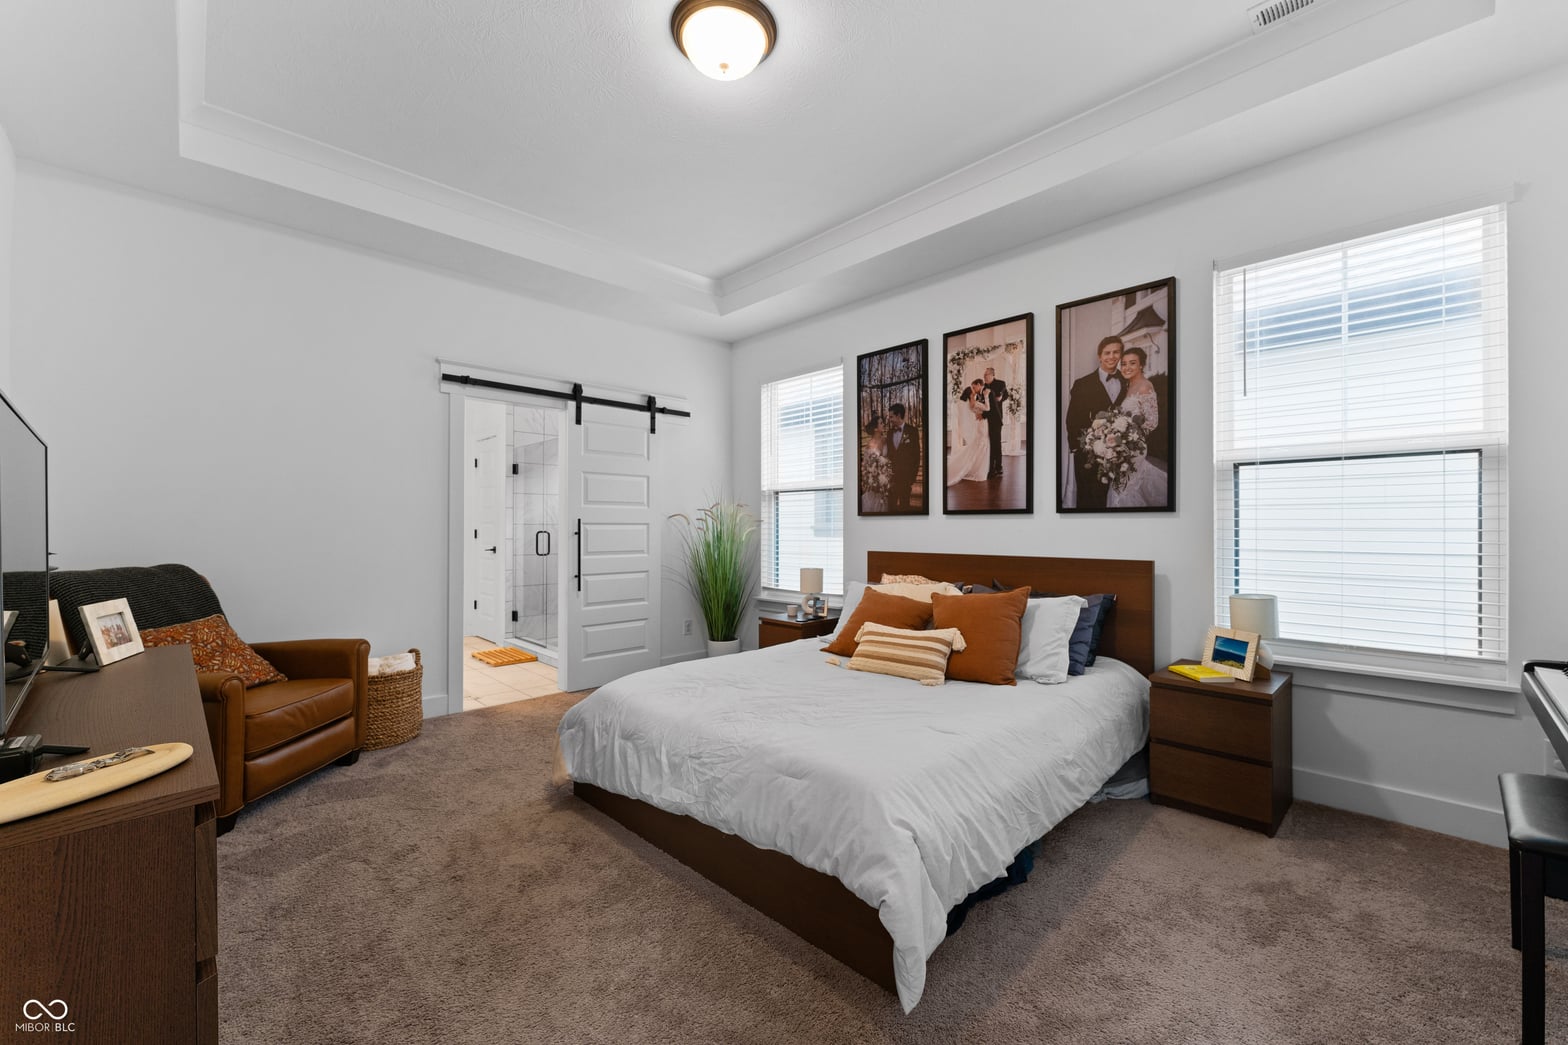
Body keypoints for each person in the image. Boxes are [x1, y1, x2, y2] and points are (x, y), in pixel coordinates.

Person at [1064, 335, 1127, 509]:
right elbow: (1072, 419)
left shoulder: (1128, 382)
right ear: (1100, 356)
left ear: (1121, 355)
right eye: (1107, 353)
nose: (1111, 356)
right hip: (1089, 455)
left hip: (1119, 455)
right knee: (1088, 500)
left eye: (1116, 352)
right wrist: (1078, 448)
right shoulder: (1082, 384)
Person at [1105, 345, 1168, 509]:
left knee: (1126, 488)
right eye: (1124, 364)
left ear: (1141, 365)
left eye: (1132, 363)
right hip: (1121, 446)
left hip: (1134, 446)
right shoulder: (1128, 386)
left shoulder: (1145, 386)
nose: (1127, 367)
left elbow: (1152, 422)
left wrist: (1129, 435)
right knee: (1121, 485)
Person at [947, 378, 991, 485]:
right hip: (982, 425)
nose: (974, 390)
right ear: (971, 393)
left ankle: (976, 466)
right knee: (982, 444)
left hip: (980, 425)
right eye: (973, 389)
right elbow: (988, 408)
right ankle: (978, 469)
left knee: (979, 445)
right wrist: (986, 396)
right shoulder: (974, 402)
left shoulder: (971, 403)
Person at [886, 403, 921, 511]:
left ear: (899, 415)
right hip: (891, 479)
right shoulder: (889, 433)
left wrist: (912, 477)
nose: (889, 419)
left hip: (906, 479)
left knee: (904, 507)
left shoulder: (912, 431)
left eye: (891, 416)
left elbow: (916, 456)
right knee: (891, 507)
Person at [981, 367, 1008, 479]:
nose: (985, 377)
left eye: (986, 375)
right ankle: (989, 466)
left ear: (992, 375)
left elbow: (1006, 395)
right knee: (989, 442)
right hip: (986, 418)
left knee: (996, 442)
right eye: (984, 375)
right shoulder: (984, 386)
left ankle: (998, 466)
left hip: (996, 418)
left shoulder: (1001, 383)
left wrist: (1001, 398)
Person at [860, 415, 890, 513]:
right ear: (876, 428)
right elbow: (866, 465)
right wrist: (872, 477)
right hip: (873, 482)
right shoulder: (870, 445)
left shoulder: (886, 441)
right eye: (881, 423)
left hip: (885, 480)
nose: (883, 424)